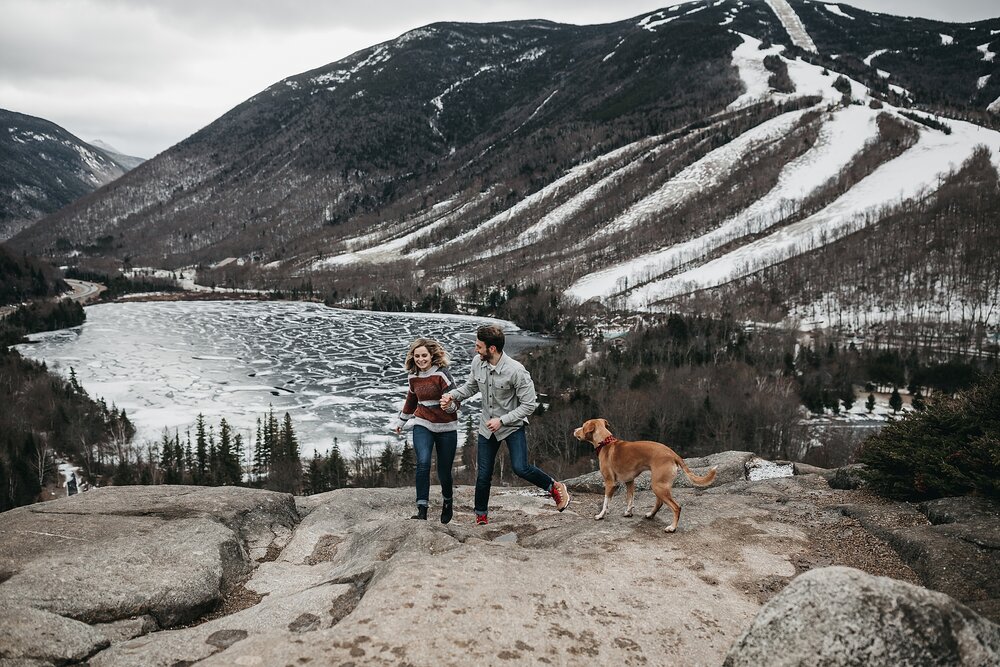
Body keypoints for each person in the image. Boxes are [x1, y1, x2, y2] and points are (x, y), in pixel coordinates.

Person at [441, 325, 569, 525]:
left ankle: (554, 487)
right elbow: (470, 387)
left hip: (511, 426)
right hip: (487, 427)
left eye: (479, 346)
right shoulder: (478, 362)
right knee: (483, 474)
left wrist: (502, 420)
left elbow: (529, 405)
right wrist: (451, 395)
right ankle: (481, 516)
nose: (476, 350)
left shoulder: (516, 371)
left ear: (492, 348)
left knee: (521, 468)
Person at [390, 338, 459, 523]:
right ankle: (422, 509)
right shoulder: (413, 376)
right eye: (417, 356)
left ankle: (447, 501)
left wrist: (450, 406)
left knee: (444, 471)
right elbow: (411, 400)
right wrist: (401, 422)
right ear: (413, 357)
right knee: (423, 463)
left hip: (446, 427)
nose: (421, 359)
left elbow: (456, 399)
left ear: (431, 356)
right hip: (423, 422)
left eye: (424, 356)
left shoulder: (442, 374)